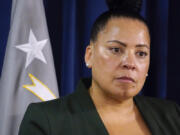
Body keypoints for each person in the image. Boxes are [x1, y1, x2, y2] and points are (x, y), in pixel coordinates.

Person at [18, 0, 180, 135]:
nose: (130, 63)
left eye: (141, 53)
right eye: (116, 50)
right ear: (89, 55)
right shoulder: (47, 120)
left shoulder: (172, 115)